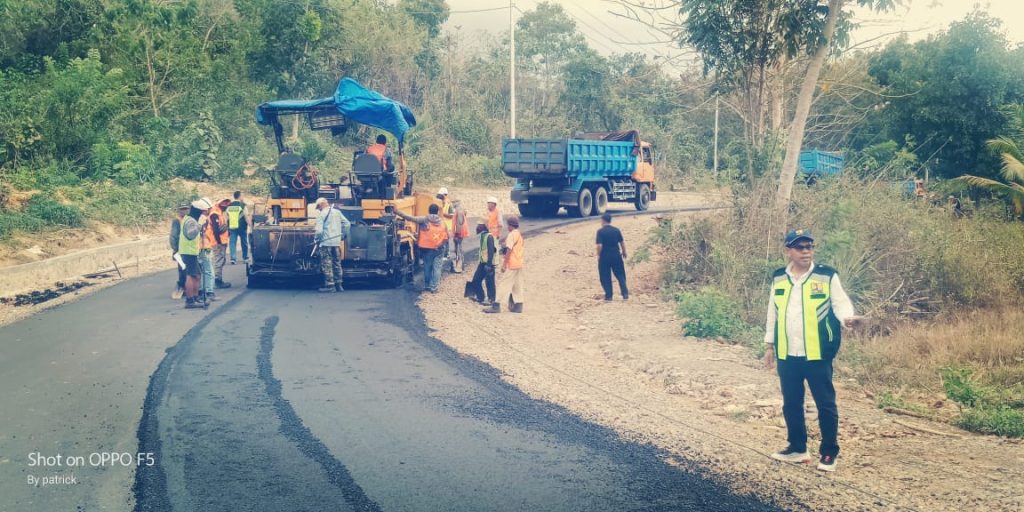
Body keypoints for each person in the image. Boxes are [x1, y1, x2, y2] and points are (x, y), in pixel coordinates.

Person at [764, 229, 859, 473]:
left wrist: (847, 318)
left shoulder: (826, 276)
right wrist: (769, 345)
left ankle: (828, 452)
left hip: (818, 352)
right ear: (788, 250)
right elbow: (772, 313)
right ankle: (797, 448)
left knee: (825, 403)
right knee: (791, 402)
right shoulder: (779, 278)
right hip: (787, 352)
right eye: (800, 247)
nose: (806, 251)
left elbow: (840, 303)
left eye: (809, 247)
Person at [396, 204, 449, 293]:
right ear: (437, 211)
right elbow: (447, 236)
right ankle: (434, 287)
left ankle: (427, 286)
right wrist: (440, 245)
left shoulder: (424, 220)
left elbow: (409, 218)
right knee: (437, 268)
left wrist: (397, 211)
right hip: (439, 249)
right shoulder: (443, 222)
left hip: (426, 248)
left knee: (427, 267)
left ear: (429, 210)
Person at [485, 215, 524, 313]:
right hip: (519, 263)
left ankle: (496, 305)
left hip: (512, 263)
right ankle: (518, 305)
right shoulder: (518, 234)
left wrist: (504, 264)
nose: (507, 227)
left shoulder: (511, 235)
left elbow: (509, 250)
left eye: (508, 225)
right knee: (517, 284)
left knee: (504, 284)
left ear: (511, 225)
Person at [314, 198, 347, 293]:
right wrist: (343, 235)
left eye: (318, 207)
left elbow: (319, 231)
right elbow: (347, 224)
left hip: (325, 243)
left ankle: (330, 286)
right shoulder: (337, 212)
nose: (318, 209)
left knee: (327, 264)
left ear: (320, 205)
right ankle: (339, 285)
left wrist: (316, 239)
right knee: (337, 263)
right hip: (336, 243)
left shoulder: (321, 215)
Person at [180, 200, 208, 309]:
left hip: (191, 251)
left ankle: (195, 297)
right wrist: (199, 225)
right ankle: (190, 300)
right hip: (188, 252)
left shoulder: (190, 219)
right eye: (202, 212)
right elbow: (190, 235)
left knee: (196, 275)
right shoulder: (191, 221)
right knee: (191, 275)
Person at [595, 213, 629, 301]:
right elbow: (622, 242)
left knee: (605, 276)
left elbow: (599, 245)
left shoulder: (600, 232)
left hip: (604, 256)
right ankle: (625, 293)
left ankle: (609, 295)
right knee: (620, 274)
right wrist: (624, 252)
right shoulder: (616, 230)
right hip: (616, 255)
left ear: (603, 220)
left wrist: (598, 255)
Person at [467, 222, 497, 305]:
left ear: (483, 227)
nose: (477, 227)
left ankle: (491, 299)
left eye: (478, 226)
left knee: (490, 282)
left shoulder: (489, 237)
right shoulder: (483, 235)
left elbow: (491, 251)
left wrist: (489, 264)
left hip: (488, 263)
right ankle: (480, 297)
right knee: (476, 280)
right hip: (483, 262)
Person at [196, 198, 217, 302]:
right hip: (204, 248)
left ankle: (201, 291)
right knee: (208, 271)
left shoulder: (198, 218)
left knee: (201, 271)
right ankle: (209, 291)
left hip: (199, 248)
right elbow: (203, 232)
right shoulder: (203, 218)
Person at [209, 198, 232, 289]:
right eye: (225, 205)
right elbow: (215, 230)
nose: (226, 207)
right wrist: (219, 241)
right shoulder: (215, 214)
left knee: (220, 261)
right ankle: (217, 281)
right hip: (218, 242)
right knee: (218, 261)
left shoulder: (219, 213)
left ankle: (218, 280)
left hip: (221, 241)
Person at [169, 202, 190, 299]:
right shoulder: (177, 221)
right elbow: (173, 236)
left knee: (188, 270)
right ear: (179, 210)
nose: (185, 211)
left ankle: (187, 288)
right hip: (180, 250)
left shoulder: (189, 220)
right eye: (182, 209)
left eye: (186, 208)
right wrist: (175, 249)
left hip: (188, 249)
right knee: (182, 270)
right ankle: (182, 287)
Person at [225, 191, 248, 264]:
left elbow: (226, 218)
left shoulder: (229, 206)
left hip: (232, 227)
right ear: (240, 196)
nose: (243, 197)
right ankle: (245, 258)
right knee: (244, 242)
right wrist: (251, 225)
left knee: (232, 243)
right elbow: (246, 217)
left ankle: (233, 259)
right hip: (242, 227)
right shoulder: (243, 205)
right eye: (242, 196)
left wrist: (227, 226)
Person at [451, 198, 470, 273]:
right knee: (458, 250)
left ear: (457, 203)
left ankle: (459, 268)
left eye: (454, 202)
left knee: (458, 250)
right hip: (460, 233)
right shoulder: (459, 210)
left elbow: (459, 224)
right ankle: (459, 267)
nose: (452, 204)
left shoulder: (459, 211)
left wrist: (457, 234)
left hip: (459, 233)